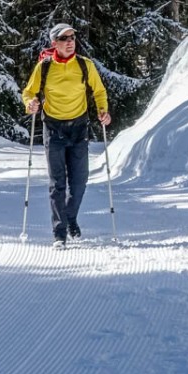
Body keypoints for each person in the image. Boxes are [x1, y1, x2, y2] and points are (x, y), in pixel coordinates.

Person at [23, 22, 111, 247]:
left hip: (79, 126)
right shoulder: (44, 67)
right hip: (53, 128)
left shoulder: (85, 65)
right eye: (65, 38)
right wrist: (31, 104)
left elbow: (99, 91)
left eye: (72, 37)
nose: (71, 41)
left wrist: (103, 111)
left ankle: (70, 216)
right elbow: (29, 92)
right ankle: (59, 231)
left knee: (80, 181)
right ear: (55, 44)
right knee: (57, 183)